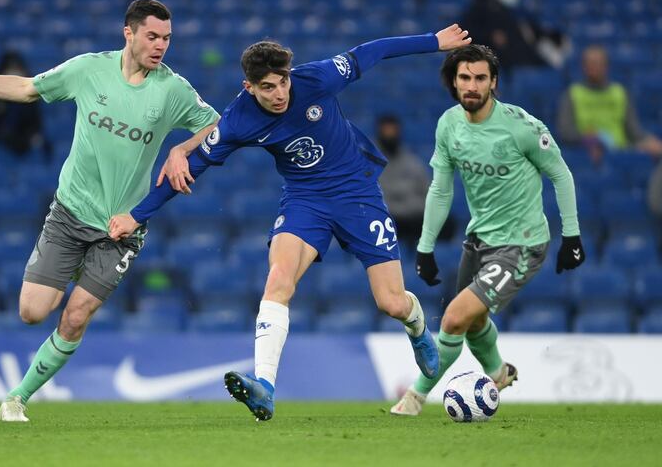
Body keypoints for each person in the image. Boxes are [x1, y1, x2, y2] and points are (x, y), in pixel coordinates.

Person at [110, 24, 474, 421]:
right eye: (268, 87)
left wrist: (433, 42)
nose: (280, 93)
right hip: (305, 201)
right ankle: (264, 386)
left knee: (391, 302)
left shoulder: (316, 79)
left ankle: (418, 325)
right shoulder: (238, 121)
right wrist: (135, 215)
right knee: (278, 278)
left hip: (357, 195)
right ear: (249, 87)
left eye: (282, 82)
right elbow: (189, 171)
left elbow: (373, 49)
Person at [0, 0, 219, 422]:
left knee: (76, 315)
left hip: (122, 229)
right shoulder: (88, 69)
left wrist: (181, 149)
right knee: (33, 312)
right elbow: (24, 88)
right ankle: (71, 268)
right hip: (71, 215)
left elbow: (217, 124)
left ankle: (16, 398)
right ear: (128, 33)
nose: (161, 45)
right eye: (152, 36)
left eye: (167, 38)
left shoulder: (173, 90)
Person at [391, 44, 586, 416]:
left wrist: (572, 236)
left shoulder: (521, 127)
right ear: (454, 81)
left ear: (493, 82)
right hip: (479, 239)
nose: (472, 85)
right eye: (465, 77)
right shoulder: (448, 124)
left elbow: (560, 173)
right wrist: (425, 247)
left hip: (522, 243)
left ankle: (414, 398)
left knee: (453, 318)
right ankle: (498, 372)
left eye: (480, 78)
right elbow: (441, 187)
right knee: (475, 319)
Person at [557, 44, 662, 163]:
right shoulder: (572, 94)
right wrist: (589, 142)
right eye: (589, 63)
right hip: (584, 155)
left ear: (606, 66)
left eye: (597, 63)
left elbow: (634, 131)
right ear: (583, 67)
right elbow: (565, 132)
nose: (593, 67)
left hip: (619, 155)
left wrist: (649, 141)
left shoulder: (620, 93)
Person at [462, 0, 569, 70]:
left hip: (527, 59)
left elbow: (536, 31)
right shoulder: (482, 6)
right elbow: (466, 31)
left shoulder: (521, 11)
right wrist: (490, 36)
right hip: (498, 61)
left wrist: (555, 37)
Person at [375, 113, 431, 251]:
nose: (390, 136)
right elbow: (380, 196)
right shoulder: (371, 161)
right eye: (386, 132)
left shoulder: (411, 160)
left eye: (393, 131)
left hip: (413, 216)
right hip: (388, 218)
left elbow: (428, 192)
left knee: (445, 223)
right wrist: (404, 193)